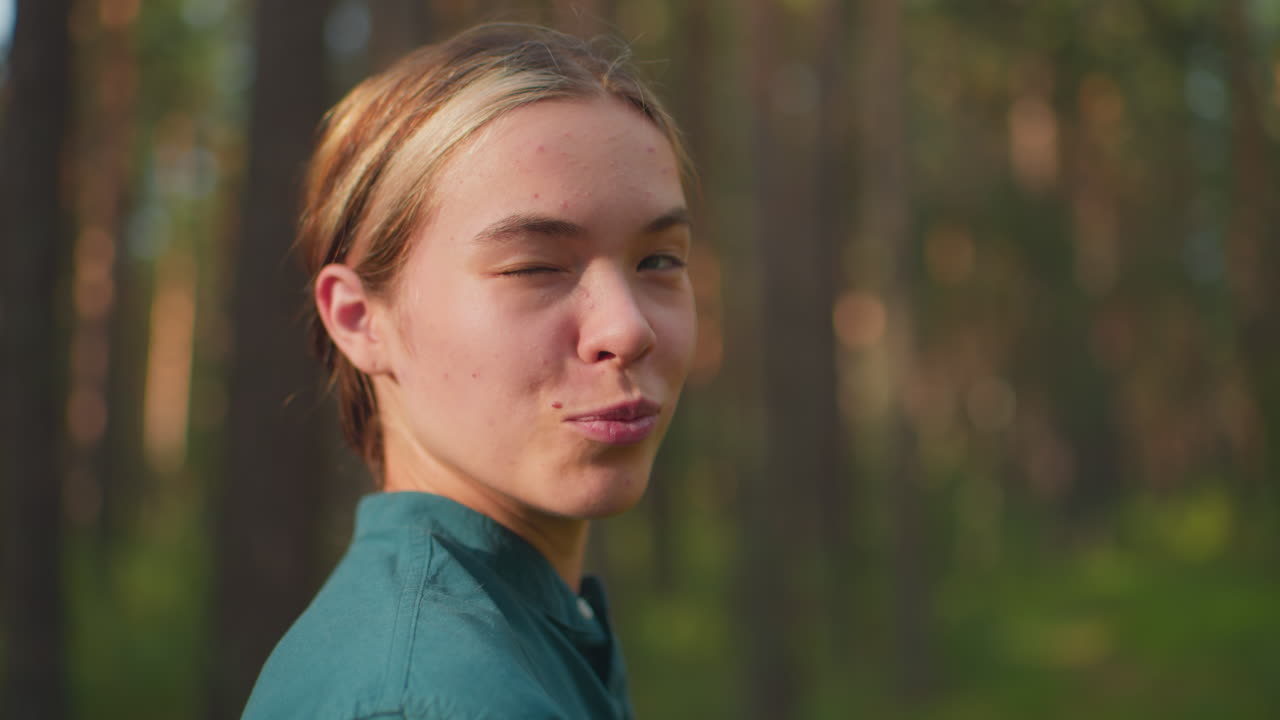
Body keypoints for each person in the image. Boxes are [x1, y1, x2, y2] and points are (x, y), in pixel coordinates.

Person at [241, 22, 696, 720]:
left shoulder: (525, 638)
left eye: (659, 260)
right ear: (361, 320)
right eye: (535, 266)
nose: (628, 328)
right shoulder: (419, 697)